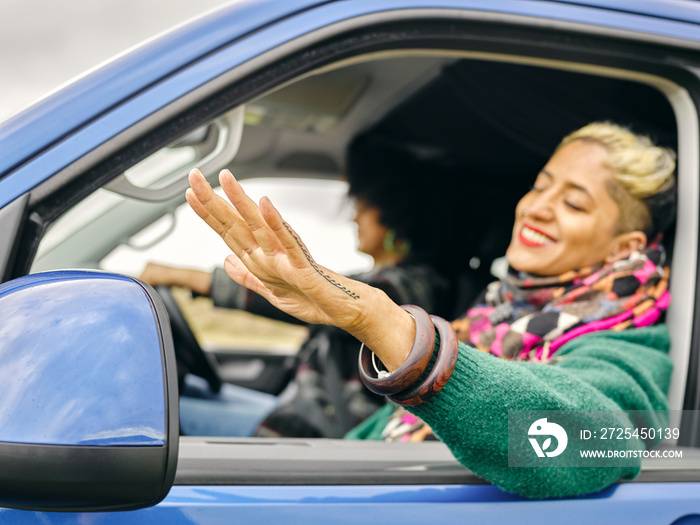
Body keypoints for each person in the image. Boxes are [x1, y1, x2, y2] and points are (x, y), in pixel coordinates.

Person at [184, 121, 677, 498]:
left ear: (622, 249)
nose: (537, 207)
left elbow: (590, 438)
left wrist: (386, 325)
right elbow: (369, 441)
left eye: (574, 203)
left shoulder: (630, 345)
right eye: (541, 185)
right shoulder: (495, 313)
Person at [143, 135, 455, 437]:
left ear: (392, 212)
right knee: (178, 394)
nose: (354, 218)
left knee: (155, 415)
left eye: (361, 205)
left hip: (319, 430)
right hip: (304, 408)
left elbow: (334, 297)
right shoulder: (387, 277)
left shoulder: (416, 286)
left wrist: (186, 277)